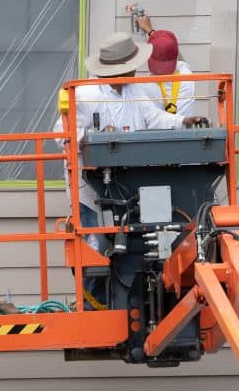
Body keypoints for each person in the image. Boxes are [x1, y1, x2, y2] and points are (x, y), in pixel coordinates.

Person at [55, 32, 207, 306]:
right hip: (91, 188)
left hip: (130, 184)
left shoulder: (135, 90)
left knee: (136, 247)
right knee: (96, 247)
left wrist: (183, 121)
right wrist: (94, 136)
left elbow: (154, 117)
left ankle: (126, 304)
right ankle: (93, 308)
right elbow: (61, 133)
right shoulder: (84, 94)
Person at [133, 13, 195, 117]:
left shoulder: (145, 85)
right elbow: (174, 53)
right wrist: (151, 31)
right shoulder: (187, 77)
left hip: (156, 133)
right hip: (184, 131)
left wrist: (150, 32)